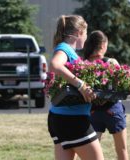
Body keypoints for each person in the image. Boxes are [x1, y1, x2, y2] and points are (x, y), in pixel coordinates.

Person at [47, 15, 104, 160]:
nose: (86, 37)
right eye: (85, 33)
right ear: (78, 32)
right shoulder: (64, 48)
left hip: (59, 118)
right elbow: (54, 65)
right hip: (72, 119)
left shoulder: (67, 50)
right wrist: (81, 85)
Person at [83, 30, 129, 160]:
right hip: (113, 110)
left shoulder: (83, 64)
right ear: (103, 45)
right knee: (122, 150)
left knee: (92, 154)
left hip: (93, 111)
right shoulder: (111, 62)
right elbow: (121, 85)